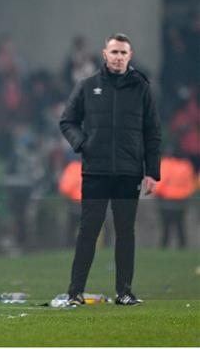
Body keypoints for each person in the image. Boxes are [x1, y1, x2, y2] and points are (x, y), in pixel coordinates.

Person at [60, 33, 161, 306]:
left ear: (130, 56)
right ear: (104, 54)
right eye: (114, 52)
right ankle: (74, 292)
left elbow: (152, 132)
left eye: (123, 53)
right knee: (89, 231)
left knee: (125, 232)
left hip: (129, 173)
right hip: (95, 171)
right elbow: (67, 121)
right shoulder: (87, 86)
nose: (118, 57)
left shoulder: (141, 88)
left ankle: (125, 292)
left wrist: (152, 172)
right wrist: (83, 144)